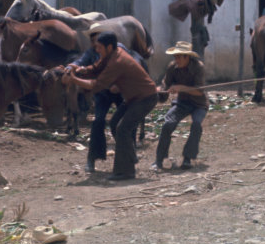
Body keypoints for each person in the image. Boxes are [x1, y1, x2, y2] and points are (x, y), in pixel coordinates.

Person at [63, 31, 158, 181]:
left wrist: (74, 79)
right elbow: (95, 68)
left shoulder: (117, 61)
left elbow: (97, 85)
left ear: (108, 47)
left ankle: (125, 172)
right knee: (114, 124)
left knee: (122, 129)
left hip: (145, 99)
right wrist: (80, 70)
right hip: (134, 98)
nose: (97, 50)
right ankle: (130, 157)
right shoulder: (111, 54)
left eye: (99, 47)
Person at [152, 41, 208, 171]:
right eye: (175, 57)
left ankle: (187, 158)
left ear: (186, 57)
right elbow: (166, 84)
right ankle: (159, 160)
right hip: (182, 103)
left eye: (178, 57)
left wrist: (181, 88)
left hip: (198, 104)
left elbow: (199, 91)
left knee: (196, 125)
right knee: (168, 124)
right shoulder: (172, 67)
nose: (176, 59)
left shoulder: (199, 67)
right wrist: (160, 90)